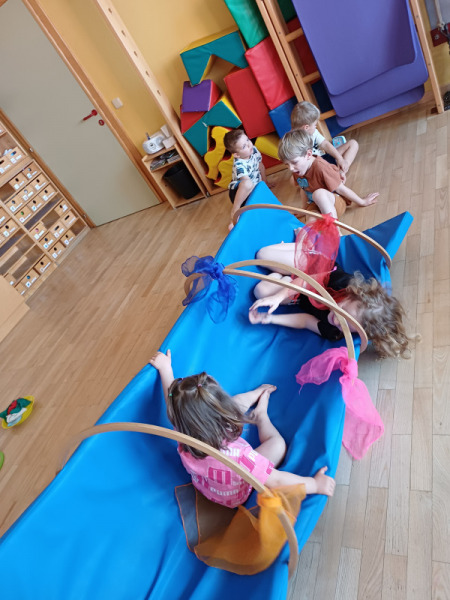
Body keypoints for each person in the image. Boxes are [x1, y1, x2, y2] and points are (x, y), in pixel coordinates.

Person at [149, 349, 335, 508]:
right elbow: (276, 480)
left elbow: (172, 401)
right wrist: (315, 484)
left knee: (234, 404)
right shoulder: (240, 457)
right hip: (236, 494)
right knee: (278, 445)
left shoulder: (185, 428)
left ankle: (255, 396)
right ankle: (261, 417)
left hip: (207, 487)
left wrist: (166, 369)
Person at [248, 242, 413, 359]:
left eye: (345, 326)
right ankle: (305, 247)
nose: (337, 321)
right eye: (343, 313)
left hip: (302, 295)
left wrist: (270, 318)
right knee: (263, 255)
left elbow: (305, 321)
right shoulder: (342, 283)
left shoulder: (335, 332)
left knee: (260, 291)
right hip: (310, 270)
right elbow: (306, 281)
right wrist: (278, 297)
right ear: (350, 296)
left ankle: (284, 278)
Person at [279, 130, 379, 220]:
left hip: (335, 202)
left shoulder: (321, 168)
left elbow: (341, 189)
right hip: (315, 205)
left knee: (318, 194)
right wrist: (304, 209)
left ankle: (335, 229)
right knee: (310, 221)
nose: (290, 168)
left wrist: (362, 202)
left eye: (294, 162)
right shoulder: (297, 169)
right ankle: (312, 231)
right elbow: (303, 189)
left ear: (308, 154)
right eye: (287, 164)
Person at [291, 101, 358, 175]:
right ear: (306, 127)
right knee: (293, 179)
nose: (316, 127)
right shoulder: (292, 142)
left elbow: (325, 144)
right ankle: (336, 174)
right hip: (314, 169)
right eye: (315, 125)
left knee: (353, 144)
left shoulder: (313, 132)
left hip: (324, 159)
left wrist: (340, 159)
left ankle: (342, 171)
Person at [224, 129, 267, 230]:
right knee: (248, 184)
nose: (249, 145)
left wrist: (265, 183)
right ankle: (235, 211)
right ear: (237, 154)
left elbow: (261, 166)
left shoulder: (253, 150)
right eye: (244, 146)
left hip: (254, 189)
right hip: (240, 193)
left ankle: (246, 213)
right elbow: (247, 185)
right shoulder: (239, 165)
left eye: (247, 140)